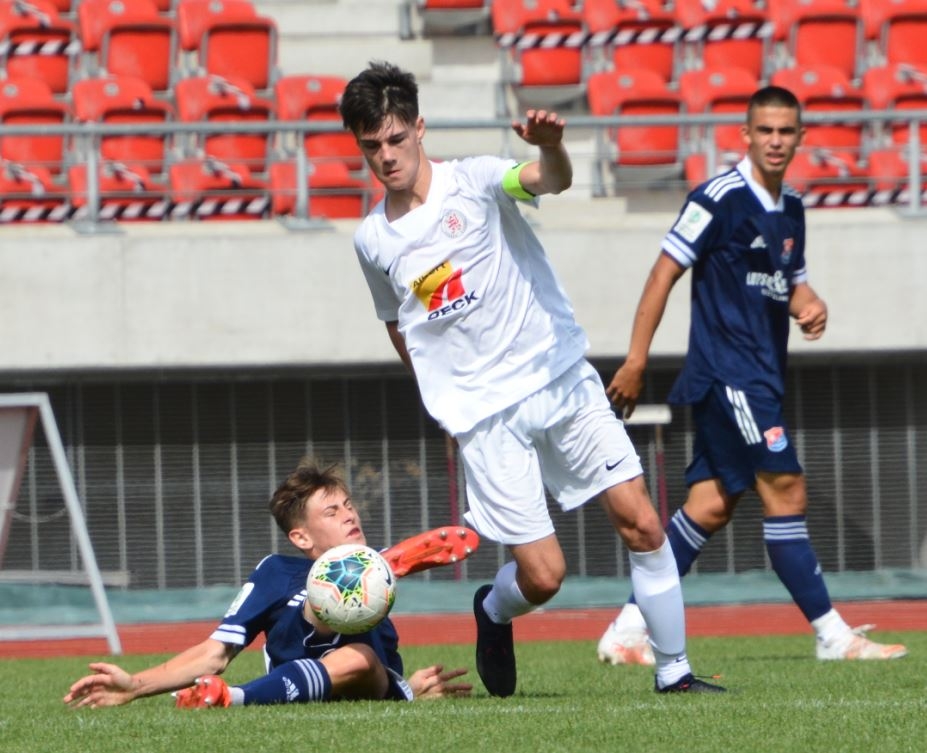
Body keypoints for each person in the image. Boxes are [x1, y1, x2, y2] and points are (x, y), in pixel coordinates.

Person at [340, 60, 724, 697]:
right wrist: (442, 396)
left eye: (395, 139)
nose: (386, 156)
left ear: (419, 128)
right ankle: (494, 610)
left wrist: (550, 147)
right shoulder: (372, 240)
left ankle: (674, 672)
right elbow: (398, 323)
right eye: (371, 146)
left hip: (557, 374)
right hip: (485, 415)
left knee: (643, 523)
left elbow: (549, 178)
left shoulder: (476, 180)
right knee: (545, 576)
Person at [596, 85, 908, 666]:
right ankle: (833, 635)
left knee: (710, 505)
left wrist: (811, 305)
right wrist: (636, 359)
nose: (775, 141)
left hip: (762, 376)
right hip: (727, 374)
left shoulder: (792, 209)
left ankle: (626, 630)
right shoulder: (717, 198)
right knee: (786, 488)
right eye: (765, 130)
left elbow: (793, 284)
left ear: (801, 137)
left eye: (786, 131)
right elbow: (663, 273)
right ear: (745, 134)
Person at [63, 459, 472, 709]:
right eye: (332, 512)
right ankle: (242, 690)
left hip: (370, 681)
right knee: (342, 635)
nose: (350, 515)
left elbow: (452, 541)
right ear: (301, 537)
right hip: (295, 680)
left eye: (349, 506)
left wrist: (406, 689)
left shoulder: (377, 567)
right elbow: (215, 654)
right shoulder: (276, 572)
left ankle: (233, 697)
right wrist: (134, 685)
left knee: (359, 657)